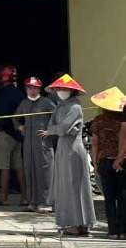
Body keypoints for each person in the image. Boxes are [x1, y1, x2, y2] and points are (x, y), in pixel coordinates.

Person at [39, 75, 96, 236]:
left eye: (65, 89)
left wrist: (55, 130)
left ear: (72, 91)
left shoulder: (75, 107)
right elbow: (53, 126)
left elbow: (62, 129)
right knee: (64, 186)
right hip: (62, 148)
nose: (62, 91)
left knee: (76, 186)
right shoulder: (57, 108)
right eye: (59, 89)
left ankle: (80, 222)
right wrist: (56, 129)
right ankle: (72, 222)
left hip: (74, 149)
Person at [0, 65, 28, 207]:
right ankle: (25, 197)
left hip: (5, 135)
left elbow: (3, 115)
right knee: (19, 167)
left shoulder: (4, 93)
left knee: (4, 166)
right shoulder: (19, 93)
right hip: (18, 135)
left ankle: (3, 198)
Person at [89, 87, 126, 239]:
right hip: (122, 160)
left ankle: (113, 231)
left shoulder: (98, 121)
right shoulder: (122, 121)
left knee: (109, 197)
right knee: (123, 196)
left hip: (104, 160)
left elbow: (95, 143)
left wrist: (95, 162)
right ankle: (123, 231)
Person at [15, 77, 55, 213]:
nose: (32, 91)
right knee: (29, 169)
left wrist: (50, 130)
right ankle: (33, 201)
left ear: (39, 89)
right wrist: (20, 126)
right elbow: (15, 117)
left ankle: (47, 202)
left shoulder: (46, 102)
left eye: (35, 88)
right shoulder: (24, 103)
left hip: (42, 140)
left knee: (44, 171)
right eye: (30, 88)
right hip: (28, 140)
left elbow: (57, 116)